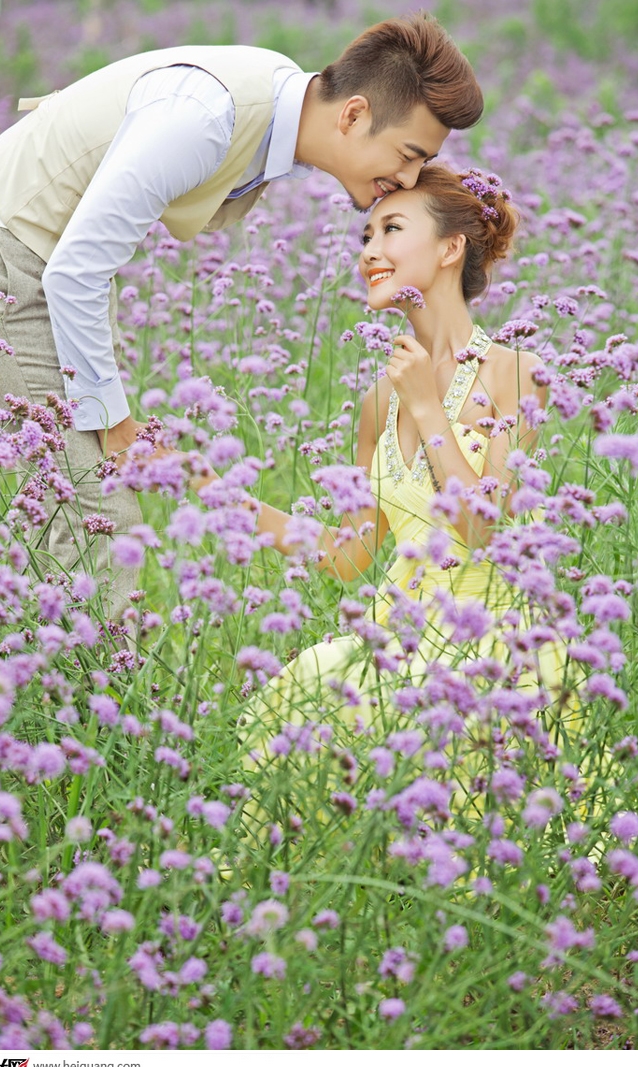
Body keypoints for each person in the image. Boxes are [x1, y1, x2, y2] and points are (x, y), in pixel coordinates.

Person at [0, 13, 482, 613]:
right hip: (14, 266)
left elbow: (353, 554)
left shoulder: (276, 102)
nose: (408, 178)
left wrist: (200, 479)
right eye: (409, 155)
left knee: (75, 512)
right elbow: (75, 270)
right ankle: (86, 672)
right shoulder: (209, 116)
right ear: (354, 115)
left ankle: (48, 657)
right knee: (95, 514)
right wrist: (115, 423)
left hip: (48, 267)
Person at [223, 165, 571, 817]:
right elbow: (346, 555)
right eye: (366, 235)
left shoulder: (517, 374)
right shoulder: (378, 401)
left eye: (391, 230)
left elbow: (483, 531)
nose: (369, 251)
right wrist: (218, 496)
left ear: (449, 248)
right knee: (307, 690)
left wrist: (427, 405)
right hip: (402, 636)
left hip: (495, 647)